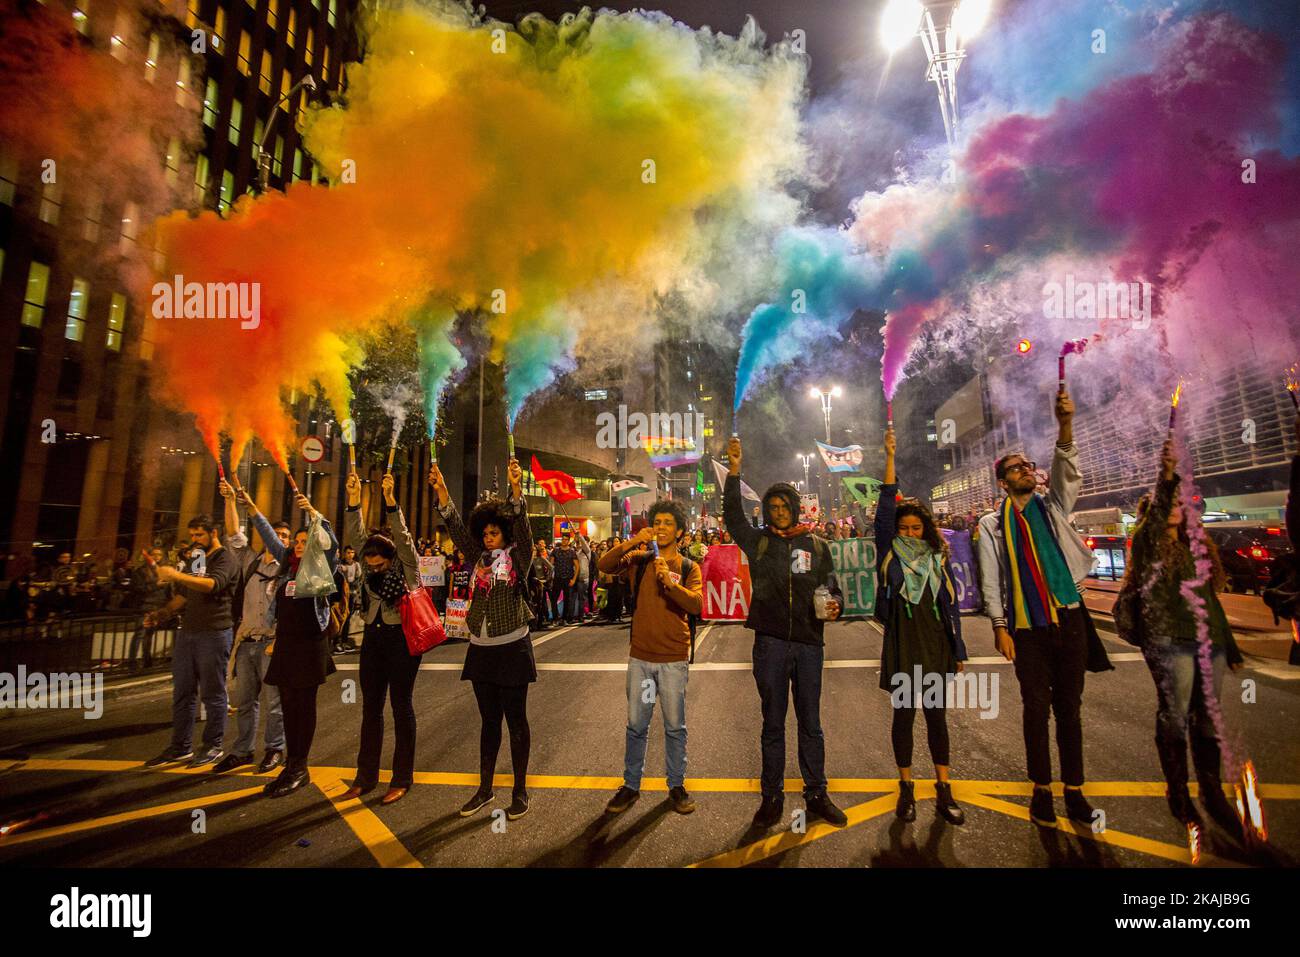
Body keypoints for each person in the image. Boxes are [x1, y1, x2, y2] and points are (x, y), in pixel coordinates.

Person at [976, 386, 1112, 828]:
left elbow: (1067, 472)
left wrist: (1066, 424)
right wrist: (999, 625)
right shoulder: (992, 524)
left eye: (1030, 465)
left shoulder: (1052, 508)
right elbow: (992, 577)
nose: (1028, 471)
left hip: (1069, 618)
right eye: (1017, 468)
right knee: (1035, 706)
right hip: (1027, 627)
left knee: (1069, 707)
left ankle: (1074, 791)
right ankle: (1041, 790)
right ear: (1003, 480)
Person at [1116, 439, 1245, 837]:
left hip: (1208, 642)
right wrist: (1167, 472)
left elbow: (1210, 601)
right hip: (1168, 639)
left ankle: (1210, 792)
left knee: (1206, 718)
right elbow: (1157, 514)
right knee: (1174, 715)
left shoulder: (1195, 545)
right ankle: (1178, 792)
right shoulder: (1149, 541)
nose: (1175, 507)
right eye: (1168, 503)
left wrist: (1230, 646)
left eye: (1178, 503)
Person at [723, 436, 848, 830]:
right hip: (771, 645)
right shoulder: (757, 542)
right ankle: (771, 797)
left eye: (783, 506)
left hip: (810, 646)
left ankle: (816, 794)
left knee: (811, 723)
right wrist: (735, 471)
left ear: (794, 509)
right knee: (773, 723)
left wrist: (836, 605)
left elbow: (833, 587)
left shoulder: (817, 545)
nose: (778, 512)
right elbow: (732, 517)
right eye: (772, 507)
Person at [431, 456, 536, 820]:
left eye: (495, 533)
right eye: (486, 533)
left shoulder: (519, 557)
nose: (489, 537)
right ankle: (485, 789)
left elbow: (524, 531)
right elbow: (459, 531)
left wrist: (517, 491)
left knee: (516, 720)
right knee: (488, 722)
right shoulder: (477, 559)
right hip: (481, 650)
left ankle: (520, 791)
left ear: (504, 535)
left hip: (512, 648)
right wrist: (443, 495)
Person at [875, 426, 968, 824]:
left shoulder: (938, 558)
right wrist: (890, 457)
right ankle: (907, 789)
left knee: (936, 719)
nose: (910, 533)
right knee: (903, 719)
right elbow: (884, 507)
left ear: (925, 530)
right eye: (904, 528)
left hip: (935, 646)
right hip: (902, 645)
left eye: (916, 528)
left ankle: (943, 790)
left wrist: (959, 650)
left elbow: (951, 609)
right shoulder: (890, 554)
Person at [599, 500, 703, 815]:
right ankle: (631, 786)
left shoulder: (688, 567)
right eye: (656, 522)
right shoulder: (640, 560)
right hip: (641, 659)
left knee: (674, 726)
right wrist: (633, 541)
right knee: (636, 724)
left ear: (681, 531)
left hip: (672, 660)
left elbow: (696, 605)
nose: (660, 527)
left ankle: (676, 786)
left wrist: (670, 584)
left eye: (668, 523)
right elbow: (605, 565)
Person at [235, 486, 339, 797]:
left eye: (305, 542)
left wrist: (315, 515)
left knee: (303, 708)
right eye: (295, 541)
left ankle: (300, 768)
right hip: (285, 647)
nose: (298, 545)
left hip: (309, 647)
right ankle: (290, 765)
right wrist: (252, 508)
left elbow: (331, 545)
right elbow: (268, 536)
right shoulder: (287, 566)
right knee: (289, 707)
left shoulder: (321, 567)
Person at [341, 472, 423, 806]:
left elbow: (403, 538)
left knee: (401, 707)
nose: (373, 568)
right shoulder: (366, 562)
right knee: (370, 709)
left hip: (402, 640)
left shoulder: (407, 566)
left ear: (390, 559)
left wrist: (391, 503)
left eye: (378, 563)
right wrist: (353, 500)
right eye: (369, 564)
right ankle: (365, 777)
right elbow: (356, 536)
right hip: (373, 640)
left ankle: (402, 778)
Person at [143, 515, 238, 769]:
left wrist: (175, 574)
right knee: (182, 693)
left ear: (214, 533)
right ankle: (180, 747)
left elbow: (211, 584)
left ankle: (212, 745)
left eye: (199, 535)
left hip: (215, 633)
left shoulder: (225, 558)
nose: (195, 540)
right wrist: (161, 614)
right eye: (192, 535)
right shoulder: (197, 559)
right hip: (188, 633)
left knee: (213, 693)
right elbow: (184, 596)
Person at [213, 479, 290, 775]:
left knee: (274, 703)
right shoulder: (250, 561)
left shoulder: (287, 569)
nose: (281, 539)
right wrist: (231, 500)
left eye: (284, 536)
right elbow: (234, 534)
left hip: (272, 643)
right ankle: (242, 750)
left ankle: (274, 749)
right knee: (245, 702)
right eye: (278, 534)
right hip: (246, 642)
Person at [128, 548, 171, 671]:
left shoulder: (163, 570)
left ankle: (147, 659)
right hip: (144, 605)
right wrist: (155, 585)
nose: (157, 557)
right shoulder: (140, 571)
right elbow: (137, 588)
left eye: (159, 555)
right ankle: (132, 661)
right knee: (140, 633)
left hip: (157, 605)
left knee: (149, 634)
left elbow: (167, 590)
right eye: (154, 554)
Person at [337, 544, 362, 651]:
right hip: (342, 593)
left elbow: (358, 579)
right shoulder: (340, 565)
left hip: (351, 594)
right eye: (348, 552)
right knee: (339, 616)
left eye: (352, 552)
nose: (350, 555)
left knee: (347, 618)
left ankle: (344, 641)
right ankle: (337, 641)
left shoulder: (356, 565)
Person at [550, 533, 578, 624]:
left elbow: (577, 566)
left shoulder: (572, 552)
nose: (564, 541)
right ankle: (555, 618)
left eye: (566, 539)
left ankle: (564, 619)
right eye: (563, 539)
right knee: (553, 599)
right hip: (557, 578)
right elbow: (550, 565)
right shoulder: (555, 551)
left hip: (568, 578)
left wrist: (574, 579)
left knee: (567, 600)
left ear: (569, 541)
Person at [529, 541, 554, 631]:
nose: (534, 552)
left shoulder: (541, 558)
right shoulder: (528, 561)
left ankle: (541, 622)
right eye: (532, 550)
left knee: (540, 604)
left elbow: (551, 568)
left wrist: (546, 579)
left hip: (540, 584)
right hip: (530, 584)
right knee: (531, 604)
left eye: (535, 550)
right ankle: (532, 623)